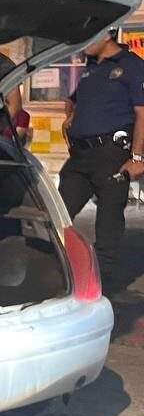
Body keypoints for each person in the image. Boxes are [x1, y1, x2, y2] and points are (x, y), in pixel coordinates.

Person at [59, 32, 144, 290]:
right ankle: (55, 265)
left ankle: (104, 283)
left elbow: (143, 114)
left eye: (87, 40)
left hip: (111, 153)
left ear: (107, 35)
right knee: (58, 211)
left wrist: (138, 158)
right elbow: (74, 101)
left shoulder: (131, 65)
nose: (82, 46)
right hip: (81, 156)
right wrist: (72, 116)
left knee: (108, 220)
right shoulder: (91, 68)